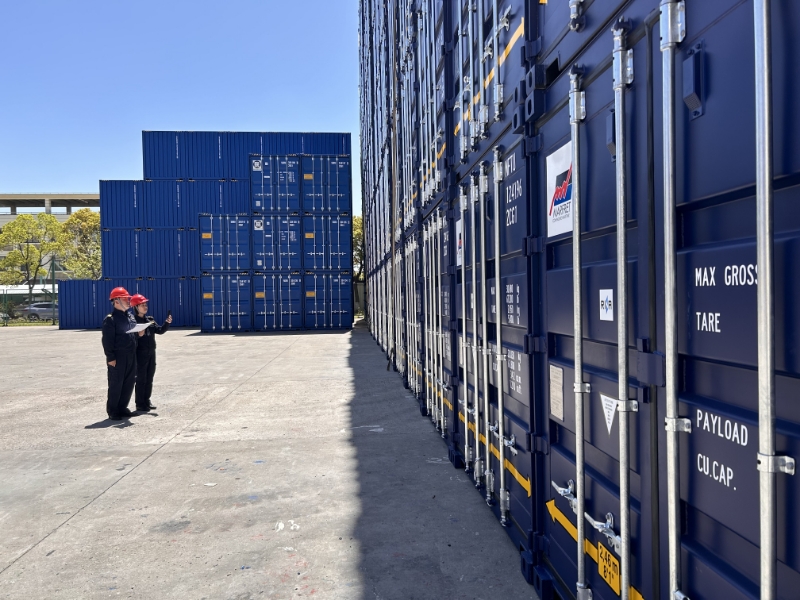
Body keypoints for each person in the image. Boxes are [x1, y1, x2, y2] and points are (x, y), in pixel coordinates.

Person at [130, 294, 172, 412]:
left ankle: (147, 400)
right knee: (141, 379)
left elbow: (160, 330)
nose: (145, 307)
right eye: (142, 305)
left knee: (149, 378)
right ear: (136, 307)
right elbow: (129, 338)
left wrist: (167, 323)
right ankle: (140, 403)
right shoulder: (132, 322)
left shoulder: (150, 320)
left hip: (151, 353)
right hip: (140, 354)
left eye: (146, 305)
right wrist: (138, 335)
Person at [102, 287, 139, 420]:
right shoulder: (110, 320)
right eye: (125, 299)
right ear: (116, 301)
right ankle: (113, 411)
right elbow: (107, 340)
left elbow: (133, 335)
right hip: (118, 357)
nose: (128, 301)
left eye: (128, 298)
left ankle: (123, 408)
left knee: (129, 382)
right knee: (116, 383)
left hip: (131, 355)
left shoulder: (130, 317)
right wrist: (110, 357)